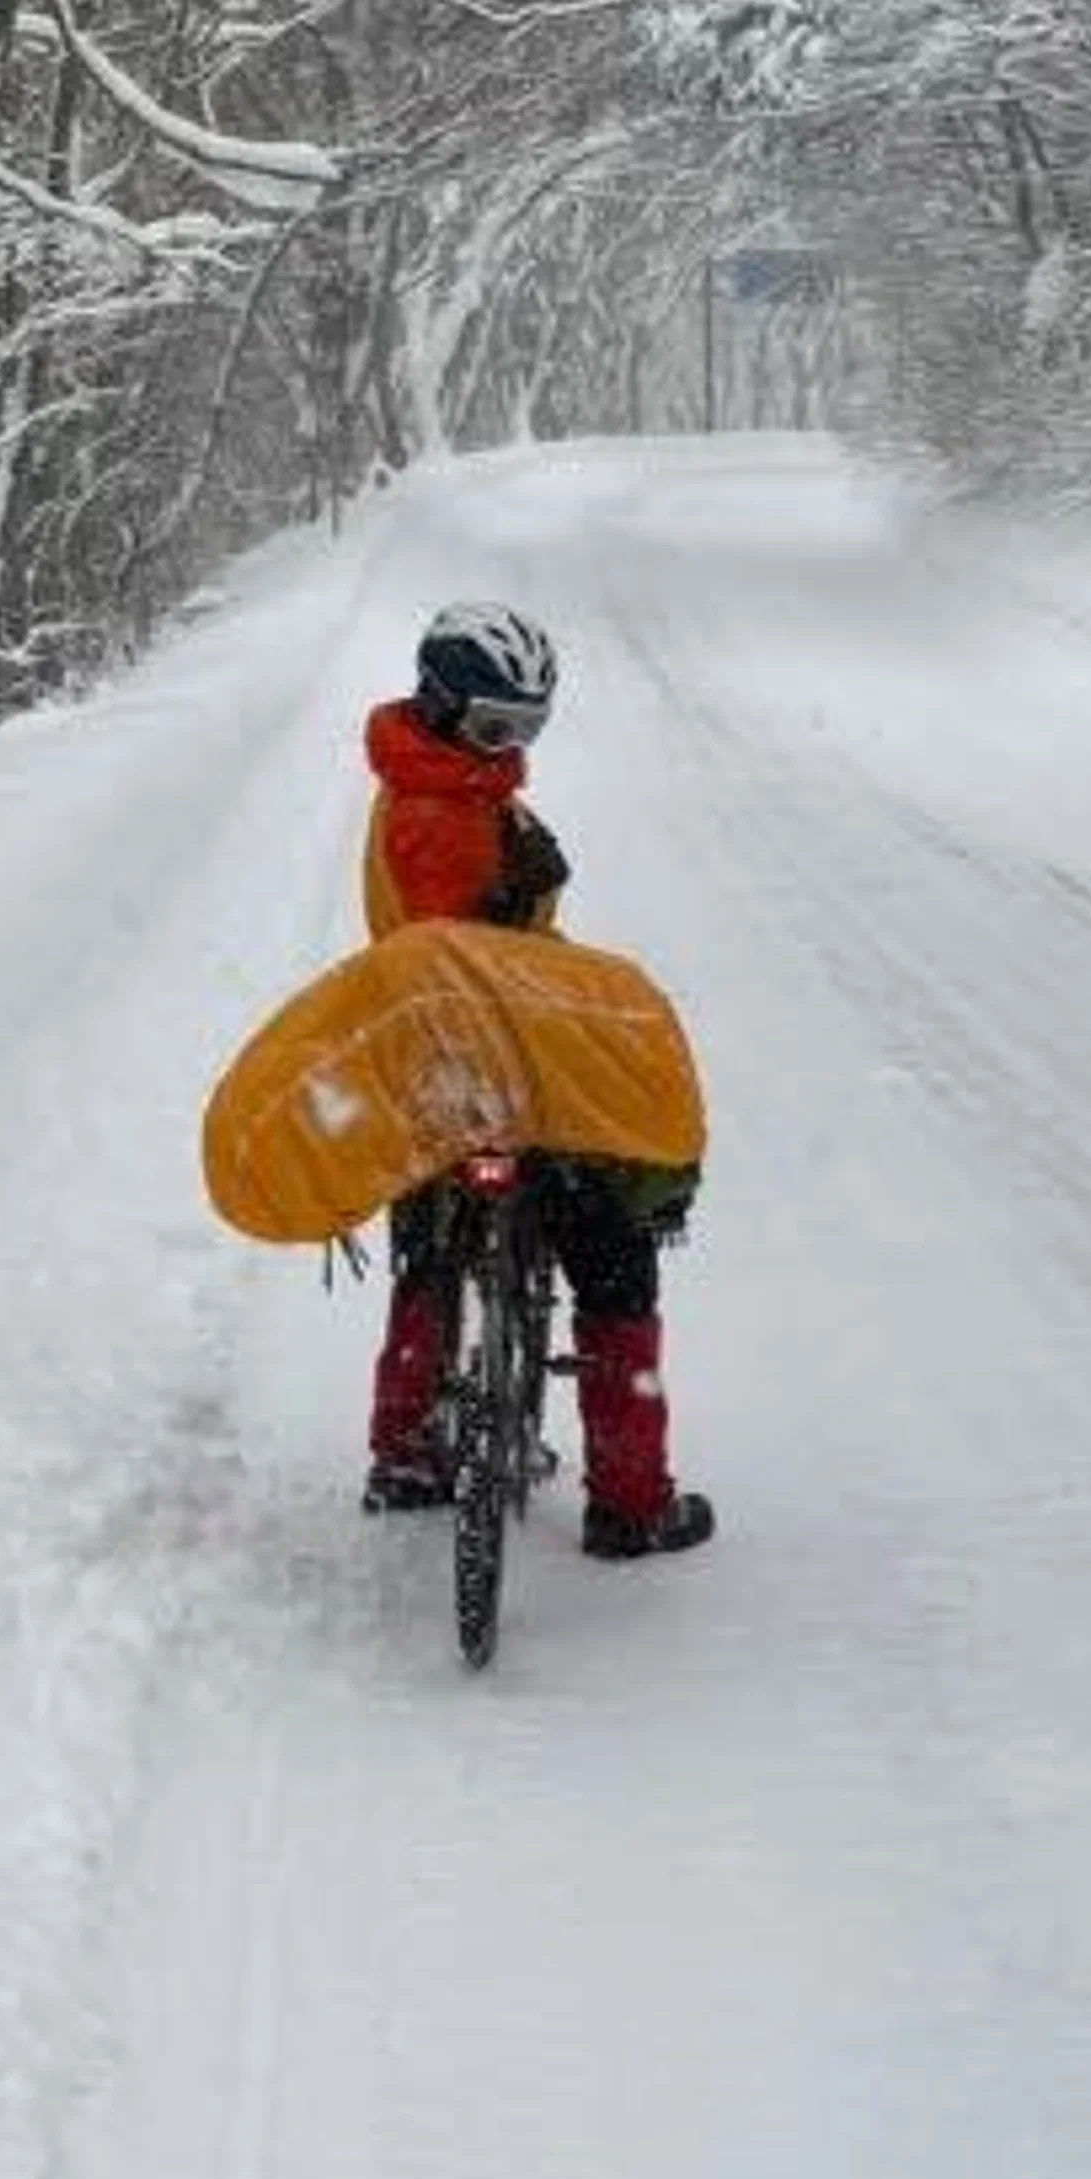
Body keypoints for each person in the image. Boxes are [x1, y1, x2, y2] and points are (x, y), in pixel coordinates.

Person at [356, 600, 714, 1560]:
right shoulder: (438, 811)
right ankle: (631, 1500)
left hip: (429, 1072)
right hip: (501, 1064)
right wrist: (514, 904)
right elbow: (463, 950)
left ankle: (407, 1449)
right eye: (493, 726)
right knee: (616, 1253)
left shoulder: (430, 777)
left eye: (528, 727)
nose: (511, 745)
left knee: (429, 1259)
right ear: (441, 704)